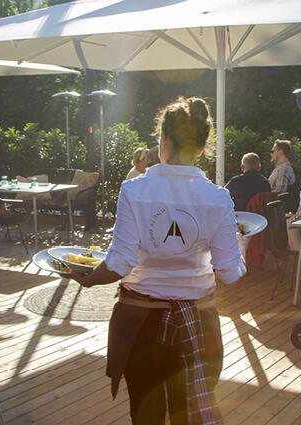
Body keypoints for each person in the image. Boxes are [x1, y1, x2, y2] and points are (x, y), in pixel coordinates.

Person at [72, 97, 245, 425]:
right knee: (187, 416)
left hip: (141, 324)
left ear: (163, 140)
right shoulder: (218, 198)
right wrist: (241, 250)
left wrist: (88, 276)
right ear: (200, 148)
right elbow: (230, 273)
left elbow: (118, 264)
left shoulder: (134, 190)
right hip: (198, 325)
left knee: (146, 414)